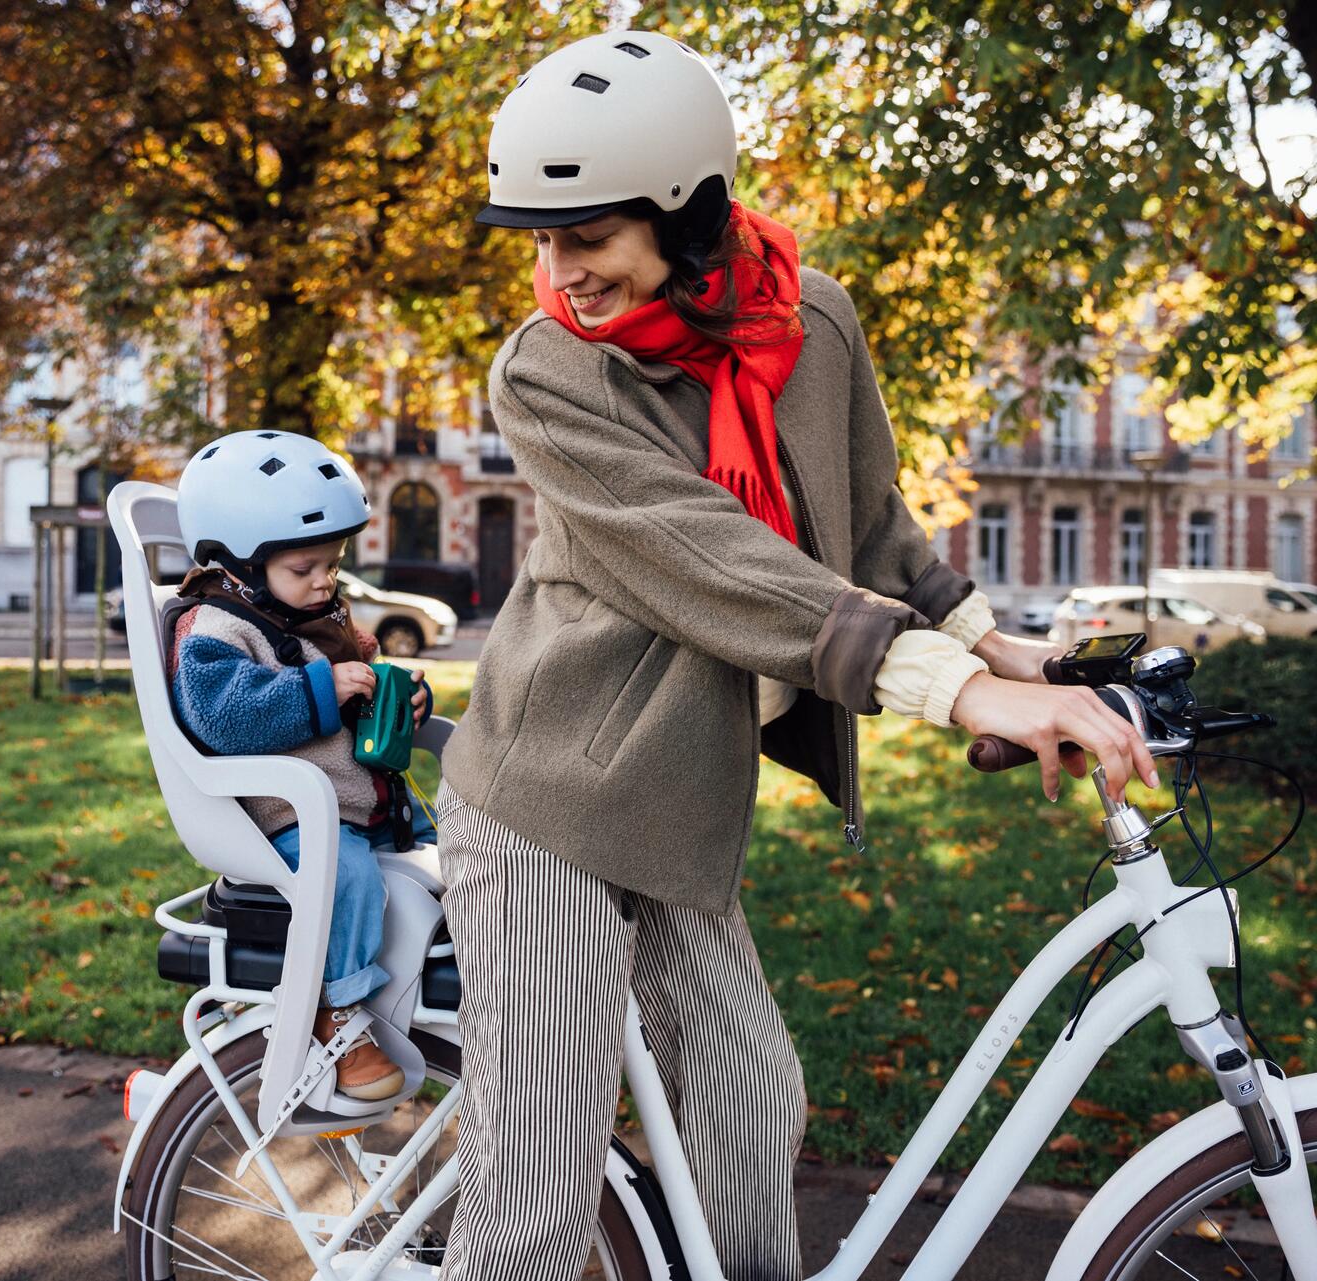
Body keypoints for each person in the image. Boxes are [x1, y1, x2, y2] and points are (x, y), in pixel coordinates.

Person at [435, 30, 1160, 1280]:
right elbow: (713, 557)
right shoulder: (548, 371)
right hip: (544, 795)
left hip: (673, 795)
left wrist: (1004, 647)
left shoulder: (812, 324)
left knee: (750, 1104)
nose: (561, 273)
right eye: (540, 241)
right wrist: (952, 686)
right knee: (540, 1181)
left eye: (587, 235)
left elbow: (866, 523)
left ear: (690, 212)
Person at [169, 430, 436, 1102]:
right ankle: (334, 1011)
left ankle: (440, 983)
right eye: (304, 568)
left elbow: (360, 673)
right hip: (290, 818)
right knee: (347, 876)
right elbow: (225, 719)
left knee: (455, 859)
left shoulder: (314, 612)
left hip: (359, 803)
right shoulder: (218, 629)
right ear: (240, 566)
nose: (323, 581)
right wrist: (323, 691)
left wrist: (396, 694)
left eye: (333, 564)